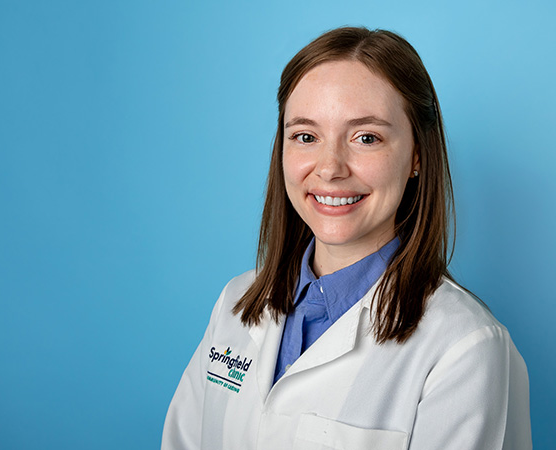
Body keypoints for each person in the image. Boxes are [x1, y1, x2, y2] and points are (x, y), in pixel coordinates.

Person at [162, 26, 531, 450]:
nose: (330, 168)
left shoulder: (464, 349)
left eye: (366, 137)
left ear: (416, 156)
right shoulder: (236, 303)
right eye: (306, 136)